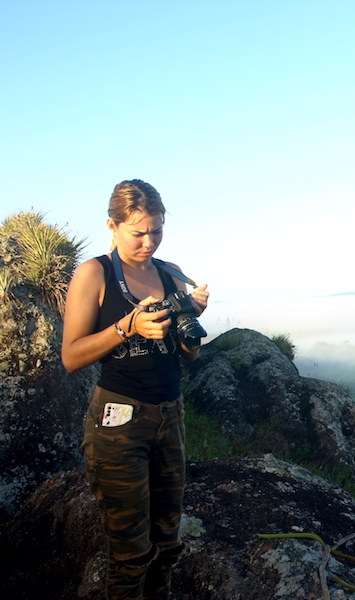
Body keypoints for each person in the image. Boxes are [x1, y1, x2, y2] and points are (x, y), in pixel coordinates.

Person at [61, 179, 209, 600]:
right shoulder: (95, 273)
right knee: (131, 552)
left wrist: (191, 315)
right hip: (119, 418)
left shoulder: (171, 273)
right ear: (113, 225)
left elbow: (190, 356)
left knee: (167, 543)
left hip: (170, 414)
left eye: (157, 231)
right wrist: (127, 327)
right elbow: (71, 356)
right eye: (138, 232)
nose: (149, 242)